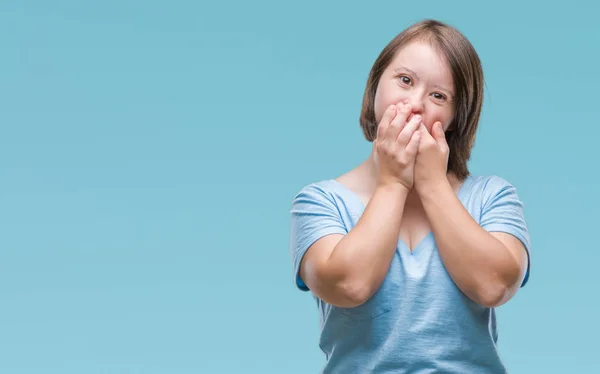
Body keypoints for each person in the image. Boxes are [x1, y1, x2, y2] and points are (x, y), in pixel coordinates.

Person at [288, 19, 531, 373]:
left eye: (438, 96)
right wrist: (393, 184)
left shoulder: (492, 196)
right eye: (404, 81)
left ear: (454, 118)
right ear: (375, 87)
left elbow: (495, 286)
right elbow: (347, 285)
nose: (415, 104)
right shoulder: (320, 201)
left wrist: (432, 184)